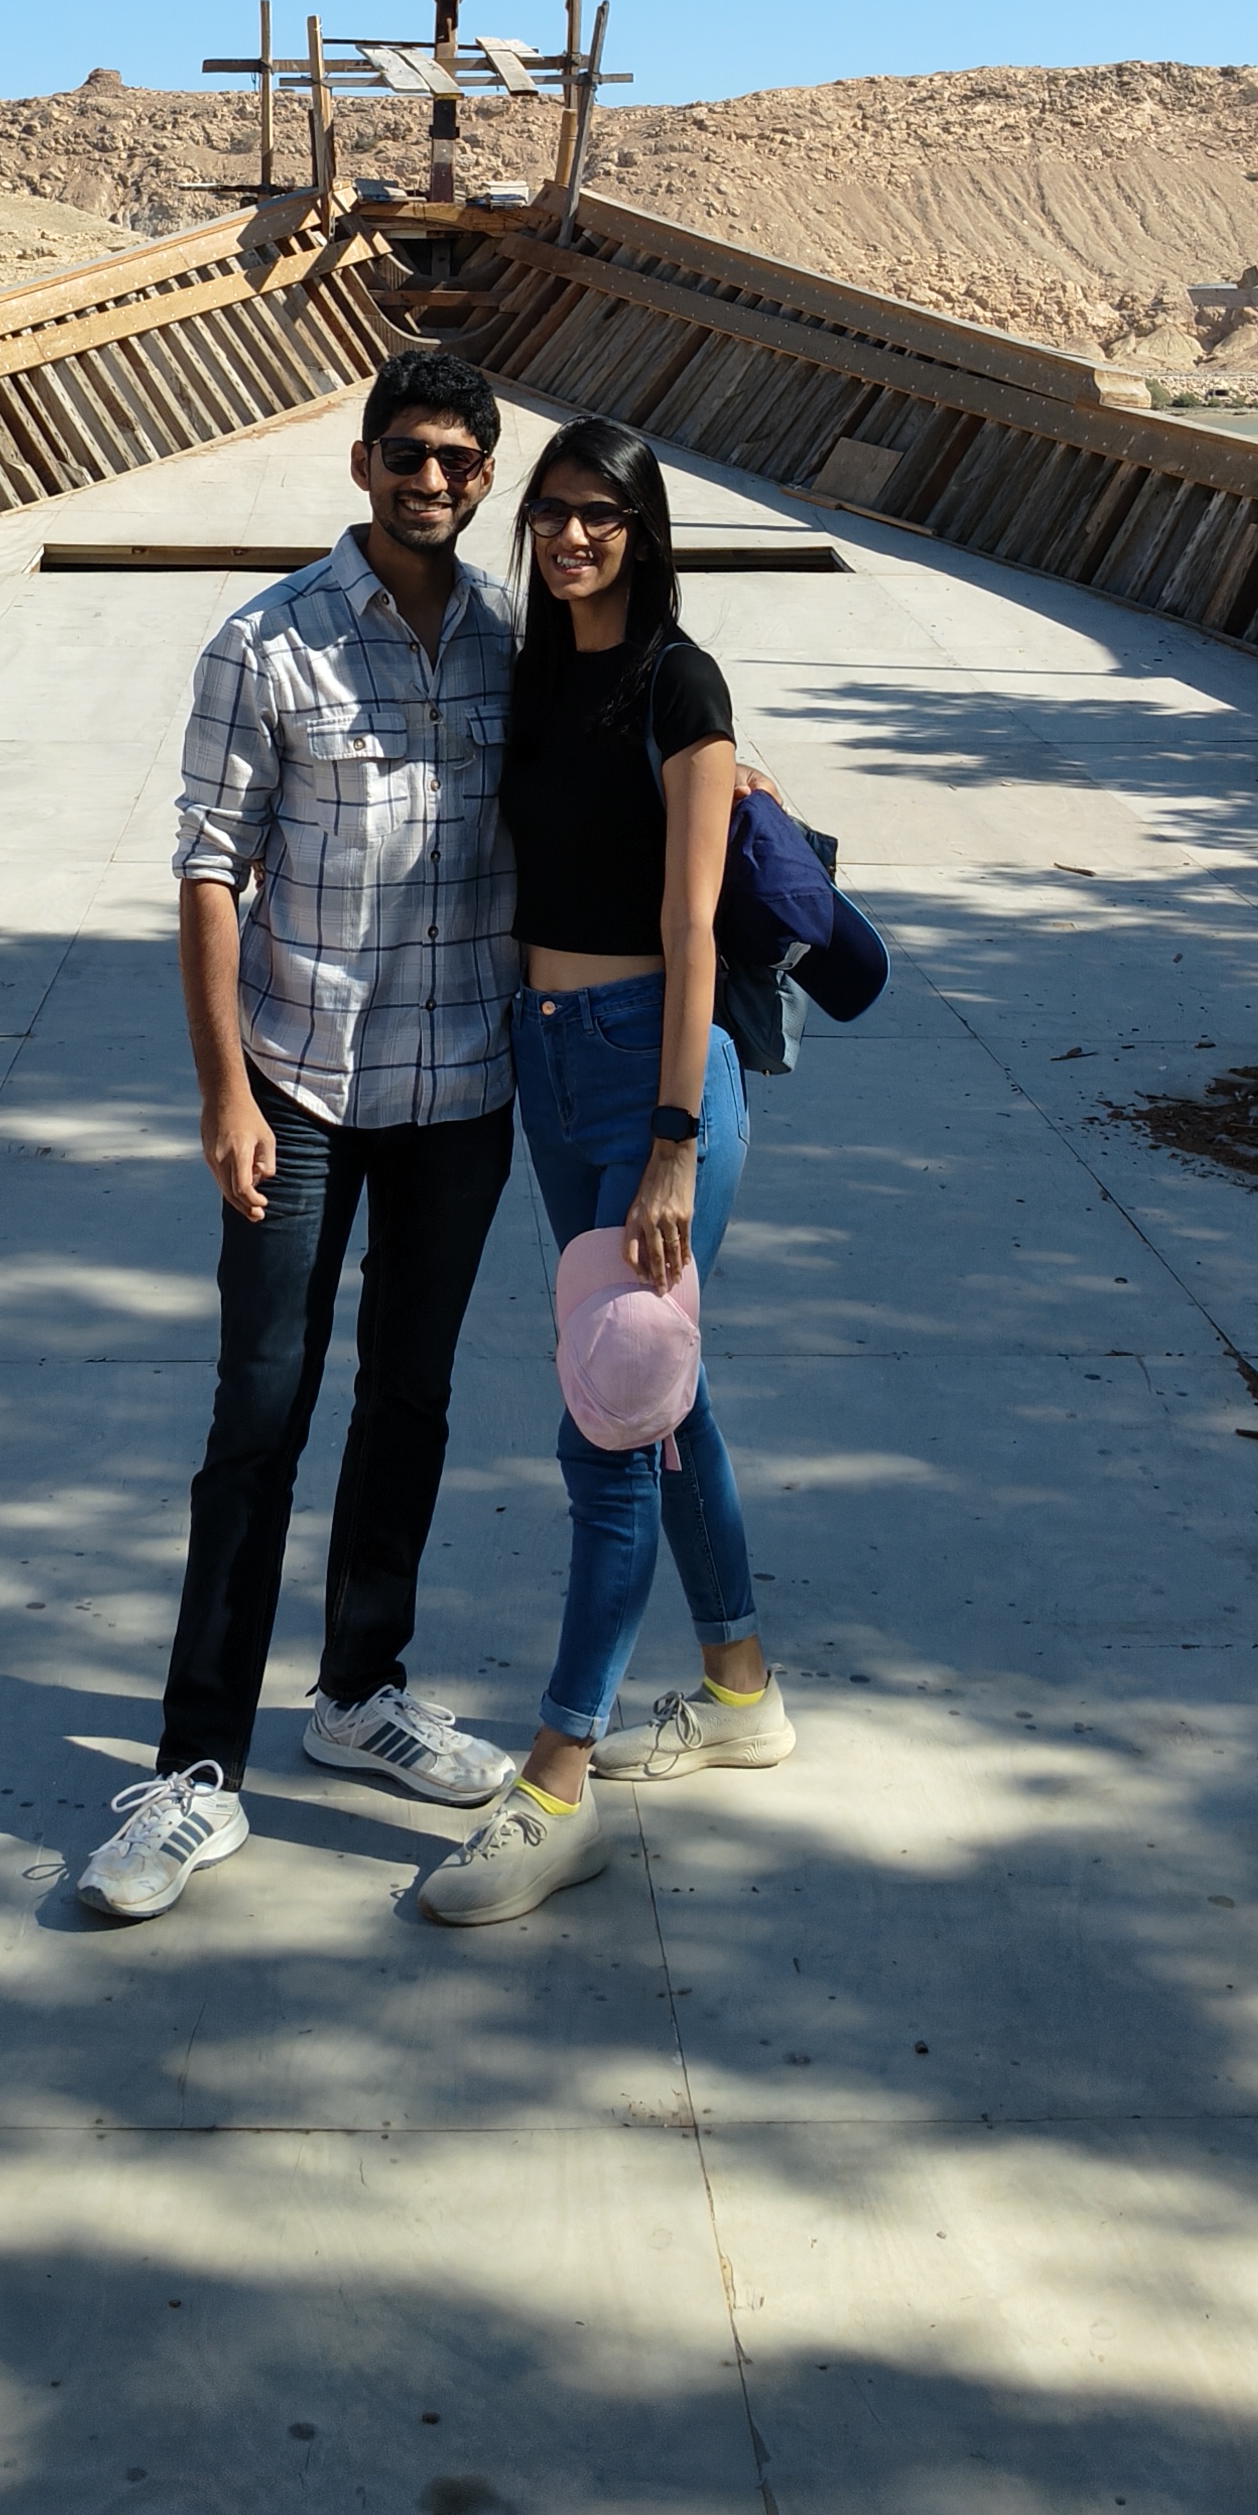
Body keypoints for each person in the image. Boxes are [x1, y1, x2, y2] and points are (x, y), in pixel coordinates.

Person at [76, 346, 521, 1923]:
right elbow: (208, 870)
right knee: (257, 1419)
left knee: (410, 1402)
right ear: (361, 464)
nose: (433, 481)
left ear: (486, 477)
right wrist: (222, 1093)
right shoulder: (265, 643)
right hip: (304, 1094)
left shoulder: (503, 644)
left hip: (463, 1092)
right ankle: (197, 1769)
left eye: (462, 460)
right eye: (409, 453)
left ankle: (360, 1693)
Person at [419, 414, 792, 1927]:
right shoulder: (532, 667)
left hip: (652, 1074)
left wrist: (674, 1149)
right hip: (549, 1058)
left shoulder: (677, 682)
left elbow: (697, 932)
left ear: (646, 530)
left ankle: (556, 1780)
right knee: (657, 1394)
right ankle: (741, 1688)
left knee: (607, 1424)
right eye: (555, 513)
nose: (573, 536)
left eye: (603, 516)